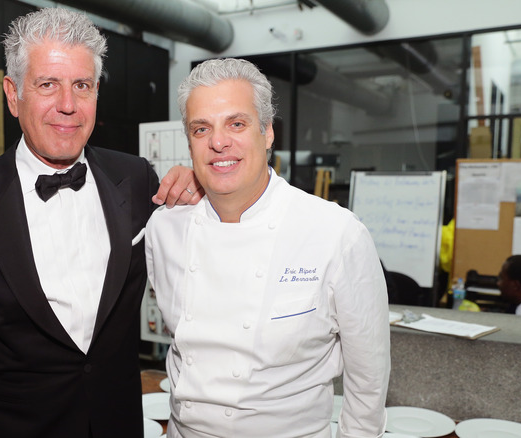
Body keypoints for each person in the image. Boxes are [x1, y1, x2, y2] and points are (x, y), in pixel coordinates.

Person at [0, 8, 200, 438]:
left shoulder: (136, 178)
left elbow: (201, 267)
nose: (67, 105)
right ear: (13, 95)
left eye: (81, 86)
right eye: (48, 84)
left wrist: (203, 189)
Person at [145, 58, 390, 438]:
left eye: (236, 123)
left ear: (268, 132)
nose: (218, 141)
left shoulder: (336, 233)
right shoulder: (164, 228)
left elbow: (368, 381)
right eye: (201, 128)